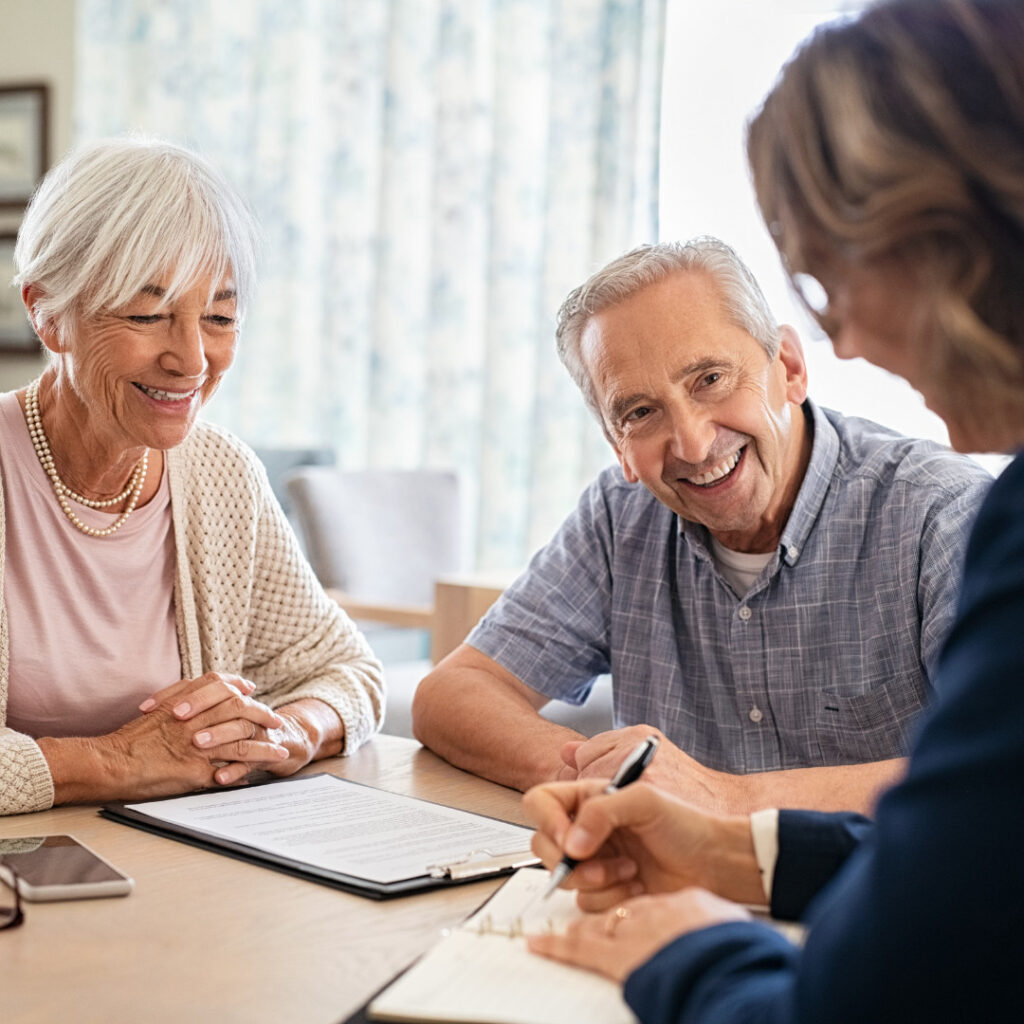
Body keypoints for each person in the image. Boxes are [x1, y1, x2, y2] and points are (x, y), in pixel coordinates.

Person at [524, 1, 1024, 1020]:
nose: (837, 330)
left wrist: (695, 950)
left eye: (828, 268)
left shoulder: (970, 514)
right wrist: (730, 850)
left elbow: (869, 995)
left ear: (942, 237)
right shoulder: (620, 516)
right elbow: (986, 847)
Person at [412, 236, 990, 814]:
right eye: (640, 412)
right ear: (619, 446)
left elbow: (999, 769)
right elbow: (451, 694)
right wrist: (609, 778)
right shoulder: (621, 516)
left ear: (788, 368)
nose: (692, 443)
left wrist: (722, 798)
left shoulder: (943, 513)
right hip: (668, 899)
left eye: (710, 379)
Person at [0, 137, 384, 817]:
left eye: (219, 318)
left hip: (177, 870)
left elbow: (345, 672)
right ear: (47, 313)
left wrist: (290, 731)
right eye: (147, 315)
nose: (192, 359)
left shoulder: (220, 473)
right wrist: (120, 761)